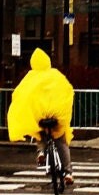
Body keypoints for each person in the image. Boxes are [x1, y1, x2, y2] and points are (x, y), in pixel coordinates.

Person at [7, 47, 76, 186]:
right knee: (61, 142)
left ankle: (41, 152)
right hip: (56, 116)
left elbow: (19, 95)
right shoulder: (56, 75)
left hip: (40, 116)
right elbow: (68, 90)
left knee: (39, 132)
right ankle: (68, 172)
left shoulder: (30, 77)